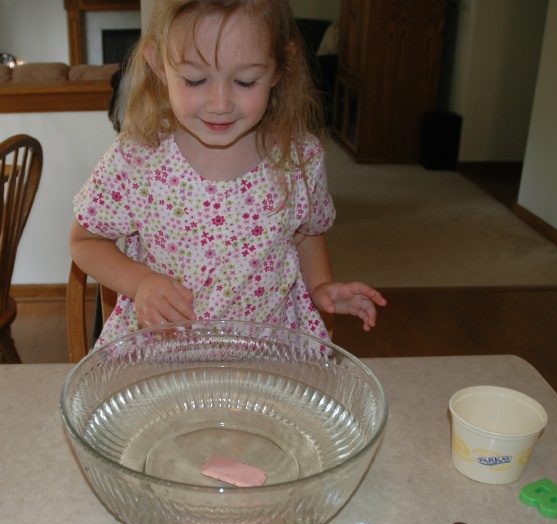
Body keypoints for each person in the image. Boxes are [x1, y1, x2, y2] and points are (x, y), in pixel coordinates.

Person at [70, 0, 386, 347]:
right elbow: (85, 241)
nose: (219, 104)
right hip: (162, 358)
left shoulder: (299, 159)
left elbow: (306, 233)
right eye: (195, 80)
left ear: (281, 67)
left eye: (245, 81)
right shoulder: (137, 157)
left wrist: (322, 285)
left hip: (265, 355)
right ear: (158, 64)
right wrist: (140, 281)